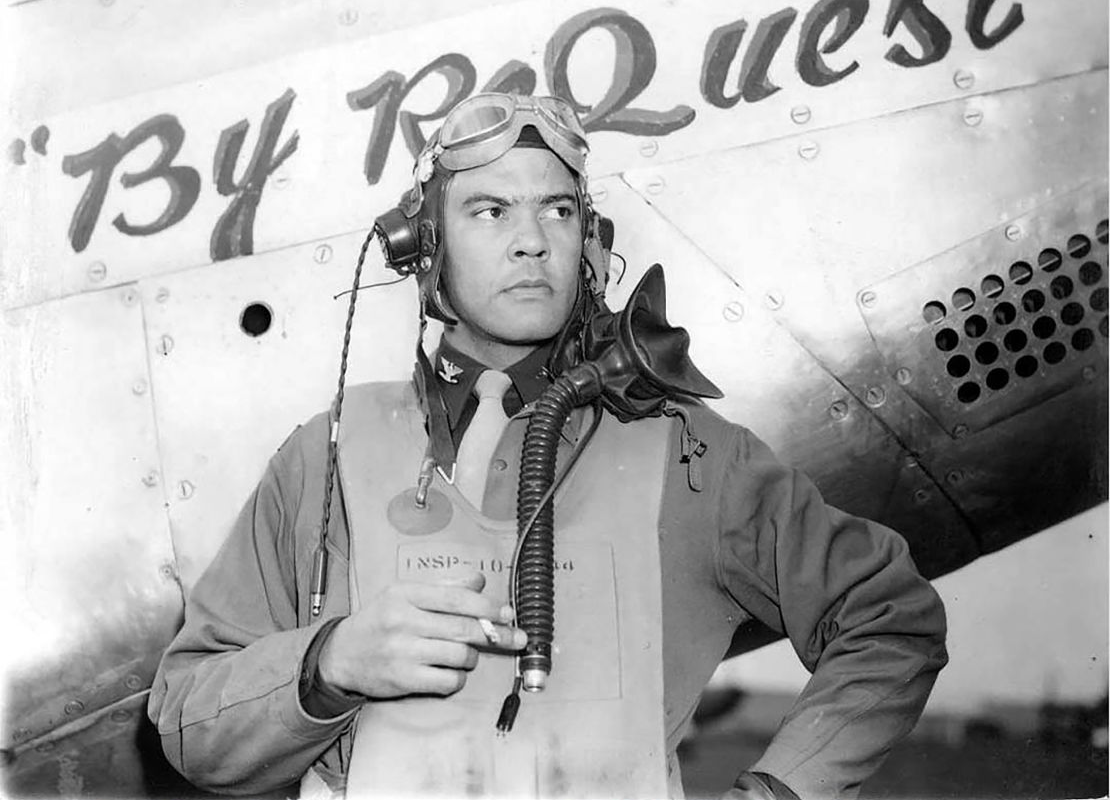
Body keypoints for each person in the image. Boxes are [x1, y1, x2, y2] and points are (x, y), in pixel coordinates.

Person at [149, 93, 948, 800]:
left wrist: (779, 790)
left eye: (558, 210)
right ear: (424, 247)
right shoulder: (323, 453)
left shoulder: (691, 456)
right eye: (489, 210)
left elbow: (888, 617)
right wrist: (328, 664)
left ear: (589, 241)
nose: (532, 240)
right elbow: (189, 723)